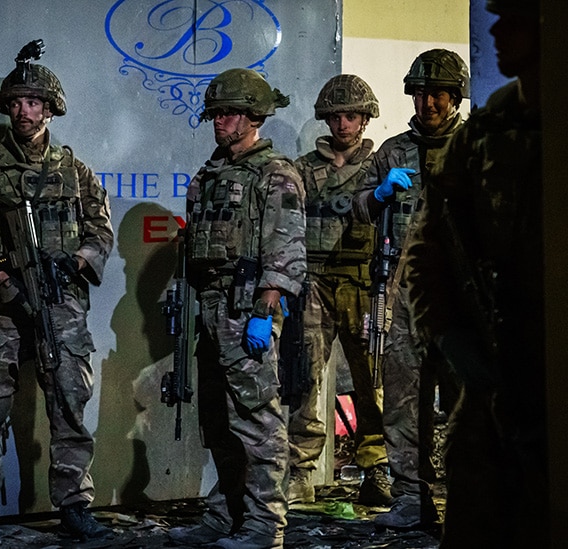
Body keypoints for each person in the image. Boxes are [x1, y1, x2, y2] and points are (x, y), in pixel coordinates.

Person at [0, 41, 114, 548]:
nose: (25, 111)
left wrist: (78, 261)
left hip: (59, 306)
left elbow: (100, 231)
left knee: (69, 406)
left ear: (51, 107)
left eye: (34, 102)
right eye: (17, 102)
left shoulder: (75, 170)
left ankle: (74, 506)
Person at [405, 1, 544, 546]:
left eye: (515, 21)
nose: (496, 31)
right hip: (498, 360)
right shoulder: (486, 133)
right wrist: (444, 329)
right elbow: (428, 241)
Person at [166, 68, 307, 549]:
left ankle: (266, 523)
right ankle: (227, 509)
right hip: (209, 306)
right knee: (218, 416)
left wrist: (266, 311)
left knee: (257, 418)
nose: (219, 122)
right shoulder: (208, 174)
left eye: (228, 113)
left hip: (247, 306)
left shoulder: (275, 173)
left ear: (253, 116)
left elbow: (287, 249)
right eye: (215, 114)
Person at [352, 49, 469, 528]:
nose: (427, 104)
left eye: (436, 94)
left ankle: (467, 503)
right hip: (402, 295)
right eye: (419, 94)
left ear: (454, 96)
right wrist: (375, 194)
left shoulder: (475, 146)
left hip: (463, 294)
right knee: (402, 401)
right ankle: (409, 500)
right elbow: (354, 207)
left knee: (465, 401)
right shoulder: (393, 151)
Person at [286, 74, 392, 508]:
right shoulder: (302, 168)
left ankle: (377, 468)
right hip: (312, 282)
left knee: (372, 383)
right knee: (302, 380)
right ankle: (299, 471)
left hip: (363, 283)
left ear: (365, 120)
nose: (343, 124)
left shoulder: (380, 168)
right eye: (335, 116)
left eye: (351, 115)